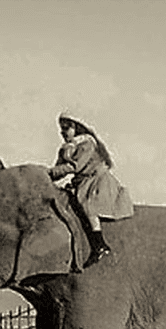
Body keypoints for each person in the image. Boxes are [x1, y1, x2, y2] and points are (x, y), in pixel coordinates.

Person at [48, 113, 133, 268]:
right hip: (82, 183)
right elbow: (58, 171)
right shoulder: (67, 148)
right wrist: (46, 176)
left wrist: (49, 173)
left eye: (66, 128)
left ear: (76, 128)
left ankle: (99, 245)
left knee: (89, 208)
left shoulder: (87, 144)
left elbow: (75, 166)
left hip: (96, 181)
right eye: (61, 129)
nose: (63, 132)